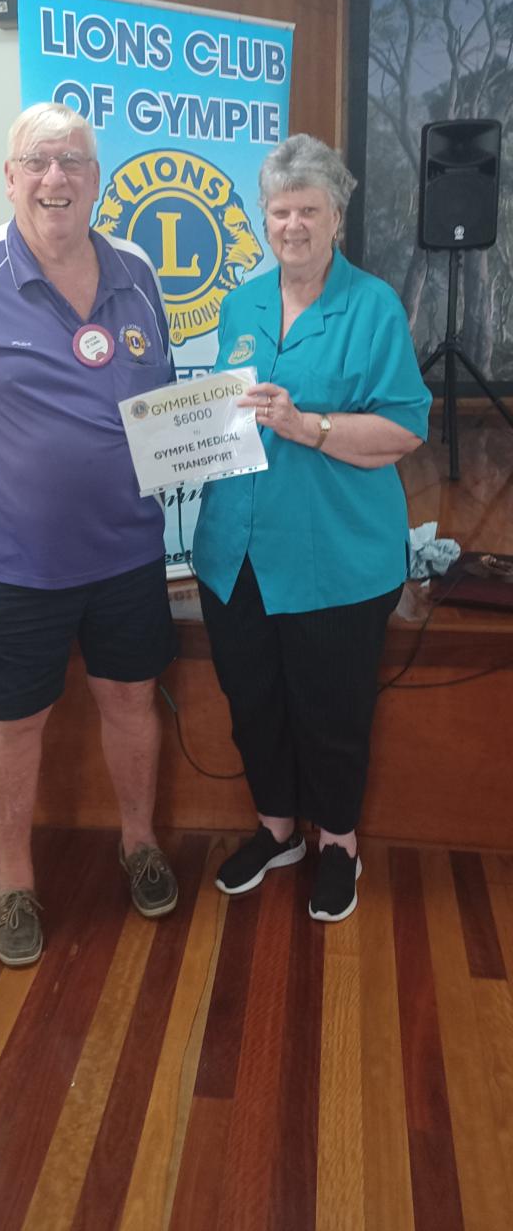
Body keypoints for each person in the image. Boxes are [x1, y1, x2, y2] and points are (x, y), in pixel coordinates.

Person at [0, 102, 178, 966]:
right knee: (12, 725)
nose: (57, 177)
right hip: (13, 565)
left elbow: (162, 403)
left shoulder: (137, 270)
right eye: (39, 161)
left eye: (74, 162)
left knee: (131, 702)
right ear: (10, 177)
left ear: (96, 179)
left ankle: (139, 842)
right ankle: (14, 880)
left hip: (130, 553)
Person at [193, 134, 431, 922]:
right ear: (264, 217)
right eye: (279, 210)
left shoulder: (373, 306)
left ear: (337, 217)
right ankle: (276, 831)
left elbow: (405, 429)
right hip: (236, 551)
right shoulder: (241, 303)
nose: (292, 224)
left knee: (332, 711)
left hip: (336, 555)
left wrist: (310, 427)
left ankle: (338, 843)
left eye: (308, 210)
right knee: (253, 700)